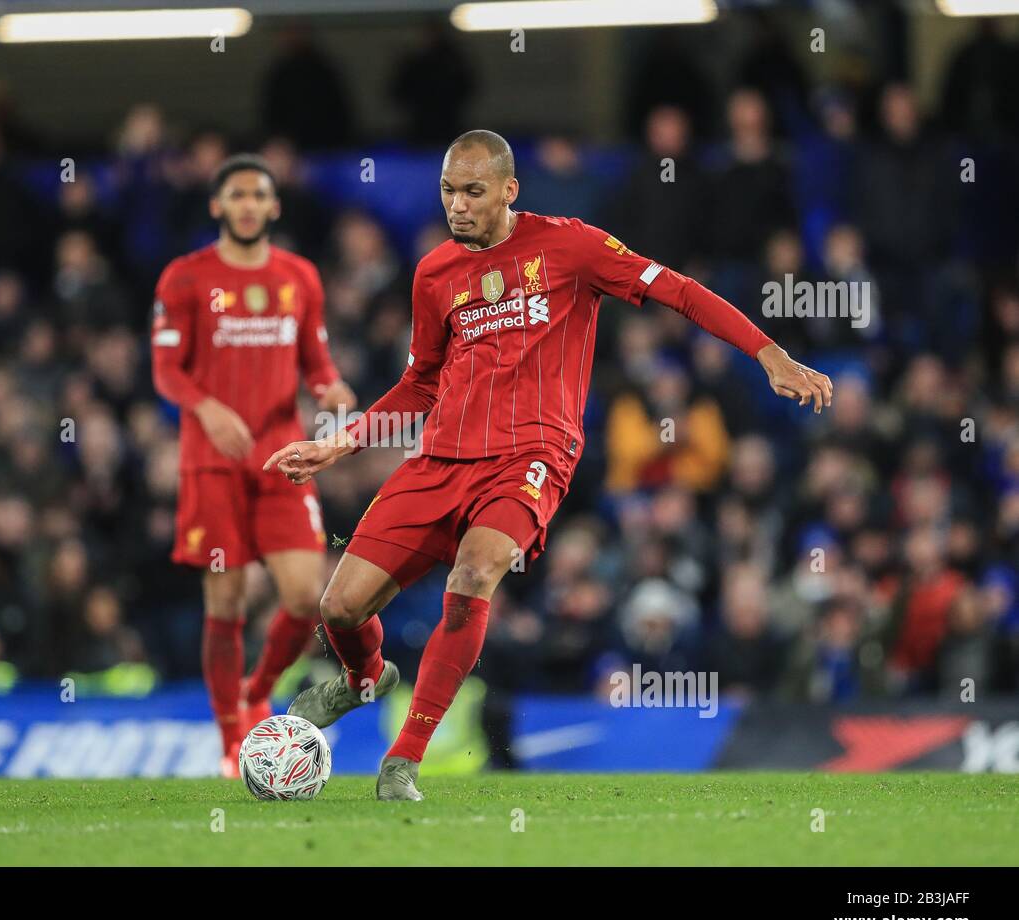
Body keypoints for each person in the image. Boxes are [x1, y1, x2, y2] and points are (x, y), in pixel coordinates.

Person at [264, 130, 833, 800]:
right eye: (449, 190)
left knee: (474, 572)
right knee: (340, 607)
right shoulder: (434, 273)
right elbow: (421, 382)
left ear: (509, 190)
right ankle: (364, 680)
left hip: (531, 456)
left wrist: (769, 353)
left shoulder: (572, 247)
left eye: (473, 191)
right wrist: (340, 444)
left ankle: (403, 760)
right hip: (439, 458)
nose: (458, 204)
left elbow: (677, 290)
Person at [152, 154, 356, 776]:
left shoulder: (300, 277)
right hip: (211, 465)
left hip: (281, 459)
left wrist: (332, 390)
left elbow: (316, 363)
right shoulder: (185, 279)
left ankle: (255, 689)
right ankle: (228, 738)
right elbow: (165, 369)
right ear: (217, 206)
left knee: (304, 596)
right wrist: (207, 408)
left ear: (274, 207)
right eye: (235, 194)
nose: (246, 204)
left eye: (257, 195)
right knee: (227, 600)